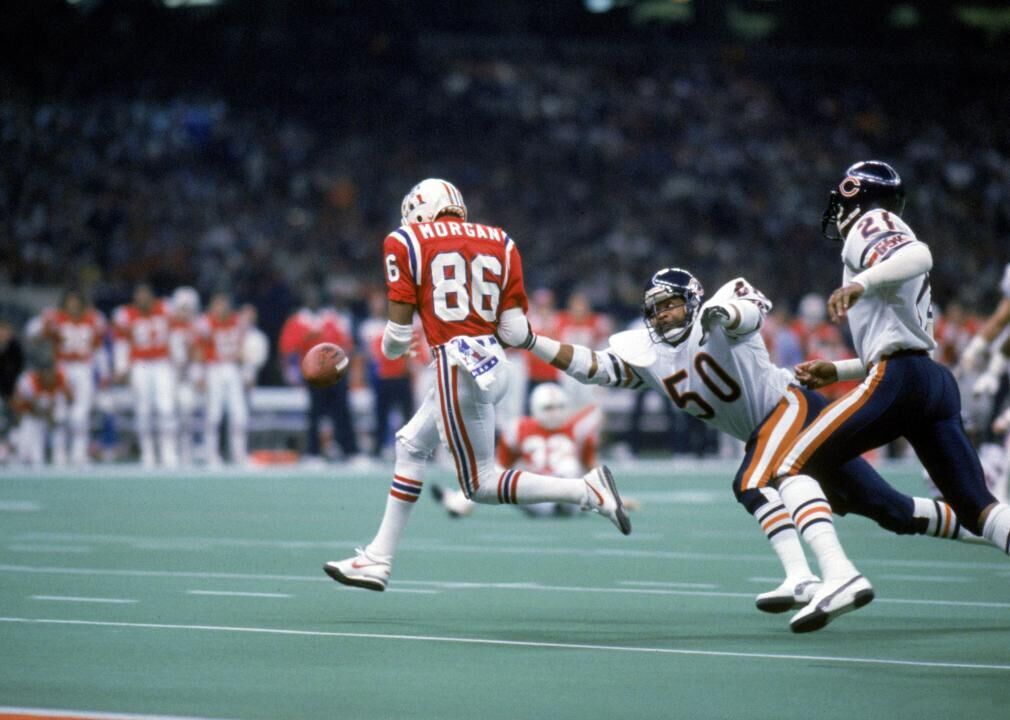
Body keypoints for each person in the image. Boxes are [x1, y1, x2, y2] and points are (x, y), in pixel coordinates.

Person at [517, 265, 980, 633]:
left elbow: (751, 312)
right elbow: (594, 367)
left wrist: (727, 314)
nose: (663, 317)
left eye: (673, 306)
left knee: (752, 480)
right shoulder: (649, 353)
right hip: (769, 428)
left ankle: (811, 576)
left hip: (788, 407)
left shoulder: (720, 315)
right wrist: (533, 342)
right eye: (656, 310)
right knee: (891, 511)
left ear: (694, 302)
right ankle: (986, 524)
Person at [323, 178, 630, 591]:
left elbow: (396, 338)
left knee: (481, 484)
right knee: (411, 444)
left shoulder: (406, 240)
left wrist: (394, 347)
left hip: (456, 364)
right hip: (491, 362)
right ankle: (377, 559)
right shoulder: (500, 240)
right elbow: (515, 329)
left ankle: (585, 491)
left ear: (418, 210)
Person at [776, 160, 1010, 627]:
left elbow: (920, 254)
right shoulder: (880, 232)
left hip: (901, 380)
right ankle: (871, 511)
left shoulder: (870, 221)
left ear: (852, 195)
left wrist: (862, 280)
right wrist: (838, 368)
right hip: (929, 380)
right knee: (977, 508)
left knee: (788, 463)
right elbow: (898, 336)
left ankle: (837, 574)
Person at [431, 382, 603, 518]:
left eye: (559, 407)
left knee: (569, 466)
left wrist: (606, 495)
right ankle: (458, 501)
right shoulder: (520, 428)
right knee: (493, 472)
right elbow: (501, 466)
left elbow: (589, 464)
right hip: (536, 496)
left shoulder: (577, 428)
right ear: (535, 408)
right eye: (548, 408)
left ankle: (455, 499)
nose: (555, 413)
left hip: (571, 498)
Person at [279, 287, 360, 463]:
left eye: (316, 297)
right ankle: (313, 453)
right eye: (309, 297)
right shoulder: (298, 321)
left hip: (335, 372)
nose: (313, 300)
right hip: (314, 373)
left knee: (342, 412)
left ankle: (350, 451)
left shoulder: (331, 319)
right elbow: (288, 348)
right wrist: (293, 372)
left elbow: (346, 344)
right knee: (315, 413)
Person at [31, 289, 108, 466]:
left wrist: (103, 373)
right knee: (60, 411)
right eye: (70, 302)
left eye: (76, 302)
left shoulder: (93, 319)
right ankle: (59, 452)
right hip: (62, 367)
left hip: (84, 368)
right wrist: (44, 324)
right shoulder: (55, 318)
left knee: (81, 414)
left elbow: (99, 349)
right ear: (64, 303)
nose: (73, 306)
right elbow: (32, 335)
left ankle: (79, 453)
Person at [113, 284, 178, 468]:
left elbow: (177, 331)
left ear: (152, 296)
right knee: (143, 411)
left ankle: (168, 452)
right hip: (139, 364)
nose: (142, 300)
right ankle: (148, 453)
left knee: (166, 408)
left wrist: (178, 358)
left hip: (162, 363)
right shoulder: (126, 314)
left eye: (145, 295)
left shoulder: (165, 308)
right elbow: (121, 342)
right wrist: (121, 367)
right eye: (139, 296)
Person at [195, 291, 249, 466]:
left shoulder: (238, 321)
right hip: (214, 369)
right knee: (213, 415)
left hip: (232, 369)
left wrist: (247, 372)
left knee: (239, 414)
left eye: (224, 303)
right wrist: (198, 374)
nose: (221, 308)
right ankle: (211, 454)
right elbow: (198, 350)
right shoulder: (205, 323)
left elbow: (243, 349)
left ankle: (239, 454)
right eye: (218, 304)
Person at [359, 290, 415, 458]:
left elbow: (409, 348)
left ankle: (410, 449)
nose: (379, 306)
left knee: (407, 415)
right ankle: (378, 449)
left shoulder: (400, 323)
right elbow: (368, 354)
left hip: (401, 375)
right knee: (380, 415)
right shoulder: (368, 326)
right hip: (382, 377)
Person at [12, 348, 73, 466]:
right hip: (31, 416)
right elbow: (19, 404)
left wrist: (55, 411)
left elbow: (71, 399)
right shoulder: (28, 380)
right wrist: (41, 410)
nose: (49, 376)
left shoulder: (60, 377)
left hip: (52, 414)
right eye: (46, 372)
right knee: (29, 456)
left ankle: (59, 452)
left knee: (61, 413)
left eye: (51, 371)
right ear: (40, 372)